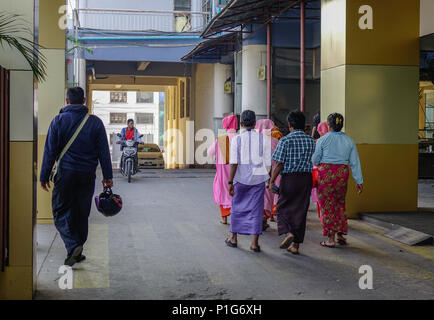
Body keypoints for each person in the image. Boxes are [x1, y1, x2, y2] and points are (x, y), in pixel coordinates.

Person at [40, 87, 113, 266]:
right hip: (87, 175)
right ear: (84, 100)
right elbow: (104, 151)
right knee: (81, 213)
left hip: (65, 174)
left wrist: (43, 175)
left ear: (66, 101)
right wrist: (108, 176)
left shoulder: (58, 120)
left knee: (60, 211)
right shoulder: (95, 123)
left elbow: (50, 151)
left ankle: (73, 246)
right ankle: (77, 250)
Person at [312, 113, 363, 248]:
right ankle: (340, 234)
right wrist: (359, 181)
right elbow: (355, 163)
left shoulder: (323, 139)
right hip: (342, 174)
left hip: (326, 174)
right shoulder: (349, 141)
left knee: (327, 206)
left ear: (328, 125)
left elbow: (315, 159)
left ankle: (330, 239)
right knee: (339, 203)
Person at [269, 110, 316, 255]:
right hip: (306, 178)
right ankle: (296, 245)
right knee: (301, 210)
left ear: (290, 125)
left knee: (282, 206)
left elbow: (279, 163)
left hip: (290, 178)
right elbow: (315, 160)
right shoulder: (310, 141)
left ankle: (288, 232)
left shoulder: (285, 140)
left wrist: (271, 181)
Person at [226, 110, 270, 252]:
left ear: (241, 124)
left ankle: (234, 238)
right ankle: (254, 243)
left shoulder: (237, 140)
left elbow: (234, 163)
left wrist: (230, 182)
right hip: (258, 180)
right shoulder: (264, 139)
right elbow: (267, 162)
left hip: (241, 179)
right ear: (255, 123)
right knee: (256, 211)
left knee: (237, 208)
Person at [207, 115, 238, 224]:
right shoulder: (239, 138)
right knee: (236, 193)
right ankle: (236, 217)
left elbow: (210, 152)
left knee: (223, 192)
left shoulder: (221, 139)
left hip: (223, 173)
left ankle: (224, 218)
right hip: (237, 173)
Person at [255, 119, 280, 230]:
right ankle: (264, 219)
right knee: (268, 197)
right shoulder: (275, 141)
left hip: (256, 176)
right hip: (271, 176)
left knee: (257, 198)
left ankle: (258, 219)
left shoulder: (254, 141)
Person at [311, 121, 329, 217]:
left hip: (319, 171)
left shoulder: (318, 141)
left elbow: (315, 158)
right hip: (333, 171)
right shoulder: (333, 140)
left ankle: (323, 217)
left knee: (320, 195)